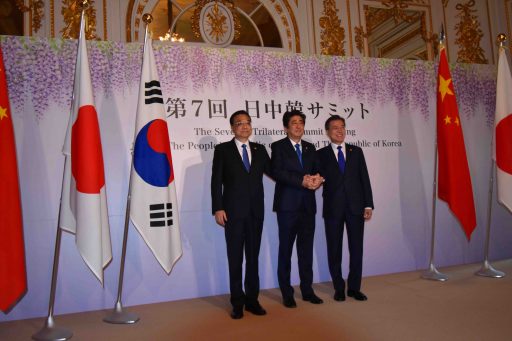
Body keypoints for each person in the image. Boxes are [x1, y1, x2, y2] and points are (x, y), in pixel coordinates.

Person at [211, 110, 271, 319]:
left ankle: (252, 300)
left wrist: (302, 179)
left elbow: (276, 173)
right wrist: (218, 208)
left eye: (247, 123)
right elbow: (216, 181)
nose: (244, 126)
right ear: (232, 128)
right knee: (235, 258)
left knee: (253, 258)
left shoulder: (260, 149)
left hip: (256, 213)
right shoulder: (223, 150)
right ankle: (237, 302)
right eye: (239, 123)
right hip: (232, 214)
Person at [271, 110, 324, 308]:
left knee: (306, 251)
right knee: (285, 250)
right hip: (287, 207)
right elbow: (277, 172)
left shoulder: (310, 147)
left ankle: (308, 291)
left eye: (301, 122)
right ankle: (287, 293)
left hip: (308, 206)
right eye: (294, 123)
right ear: (286, 127)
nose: (298, 126)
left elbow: (319, 169)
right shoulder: (278, 146)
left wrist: (319, 178)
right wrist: (301, 181)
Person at [318, 115, 373, 302]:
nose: (339, 130)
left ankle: (354, 288)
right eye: (335, 127)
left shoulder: (356, 151)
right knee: (334, 249)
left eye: (342, 127)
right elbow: (316, 178)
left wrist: (368, 204)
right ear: (328, 132)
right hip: (333, 208)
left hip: (356, 207)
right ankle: (339, 287)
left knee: (356, 248)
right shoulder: (321, 154)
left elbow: (364, 178)